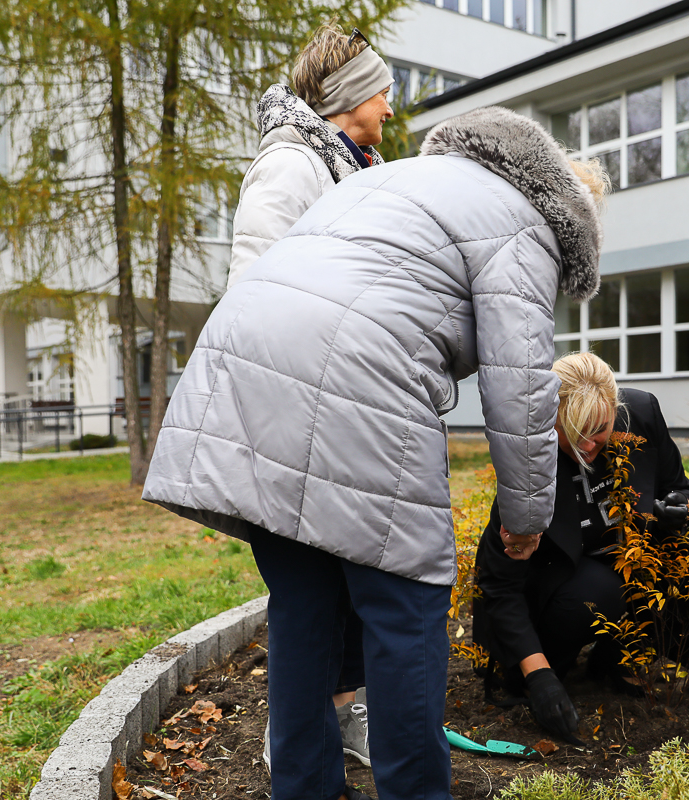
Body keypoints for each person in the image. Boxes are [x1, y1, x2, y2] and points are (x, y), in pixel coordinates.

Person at [143, 106, 606, 800]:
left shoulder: (401, 179)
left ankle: (303, 790)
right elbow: (521, 387)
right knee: (407, 608)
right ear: (573, 212)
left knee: (304, 607)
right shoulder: (526, 223)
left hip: (246, 356)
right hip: (360, 373)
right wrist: (526, 517)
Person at [226, 22, 396, 768]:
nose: (392, 105)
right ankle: (296, 743)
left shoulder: (357, 166)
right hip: (299, 415)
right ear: (352, 95)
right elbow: (257, 294)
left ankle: (339, 719)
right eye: (384, 89)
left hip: (350, 411)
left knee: (355, 585)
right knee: (307, 597)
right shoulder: (292, 166)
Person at [474, 352, 689, 740]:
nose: (588, 444)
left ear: (616, 409)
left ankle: (612, 660)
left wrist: (674, 513)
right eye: (575, 431)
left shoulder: (641, 414)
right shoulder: (529, 459)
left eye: (600, 428)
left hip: (620, 568)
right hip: (551, 594)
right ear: (551, 420)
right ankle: (550, 668)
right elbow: (499, 582)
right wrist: (539, 676)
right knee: (602, 591)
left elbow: (678, 488)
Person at [227, 23, 394, 289]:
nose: (389, 110)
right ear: (350, 94)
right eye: (382, 95)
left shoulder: (348, 169)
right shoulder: (290, 164)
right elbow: (252, 289)